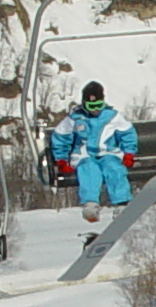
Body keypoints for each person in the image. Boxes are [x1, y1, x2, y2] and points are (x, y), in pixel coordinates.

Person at [49, 80, 138, 230]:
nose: (95, 110)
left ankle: (121, 202)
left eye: (98, 105)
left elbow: (128, 134)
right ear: (84, 104)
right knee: (89, 170)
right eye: (91, 106)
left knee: (114, 168)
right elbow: (60, 138)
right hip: (84, 155)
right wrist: (61, 159)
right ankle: (90, 204)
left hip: (108, 152)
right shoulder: (75, 119)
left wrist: (129, 153)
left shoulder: (112, 116)